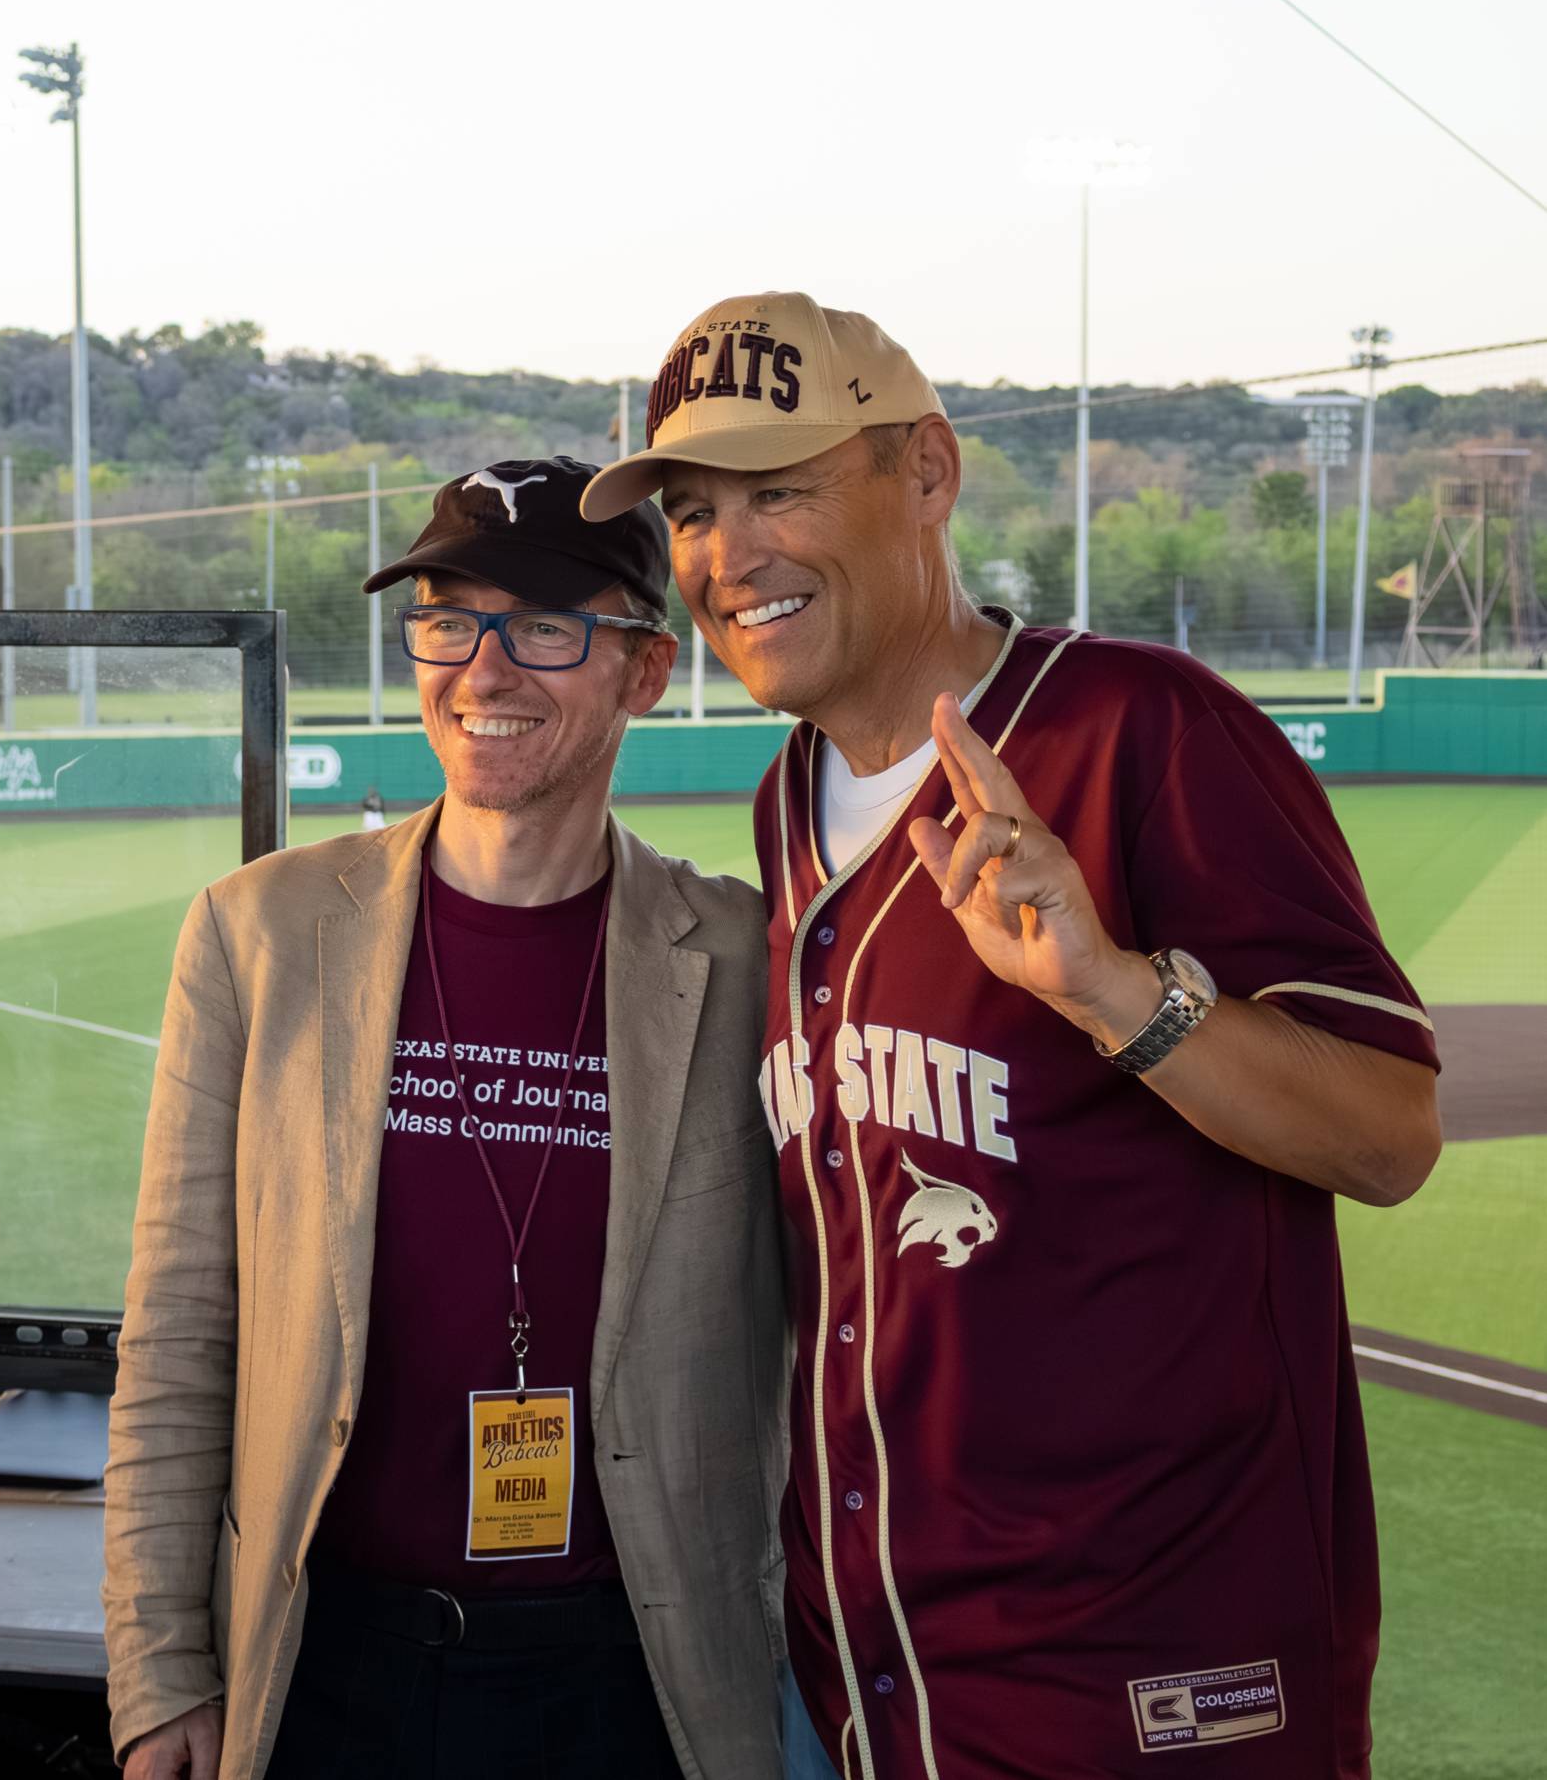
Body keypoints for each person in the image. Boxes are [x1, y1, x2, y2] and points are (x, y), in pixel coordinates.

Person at [580, 291, 1444, 1780]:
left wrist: (1117, 994)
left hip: (1154, 1696)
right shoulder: (786, 803)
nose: (726, 557)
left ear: (923, 474)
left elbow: (1385, 1131)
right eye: (692, 511)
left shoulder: (1137, 731)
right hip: (886, 1700)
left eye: (777, 488)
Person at [105, 456, 787, 1780]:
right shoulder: (256, 935)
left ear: (642, 672)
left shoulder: (747, 963)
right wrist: (156, 1669)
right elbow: (180, 1330)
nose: (483, 669)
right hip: (325, 1669)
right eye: (447, 618)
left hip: (633, 1682)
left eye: (541, 626)